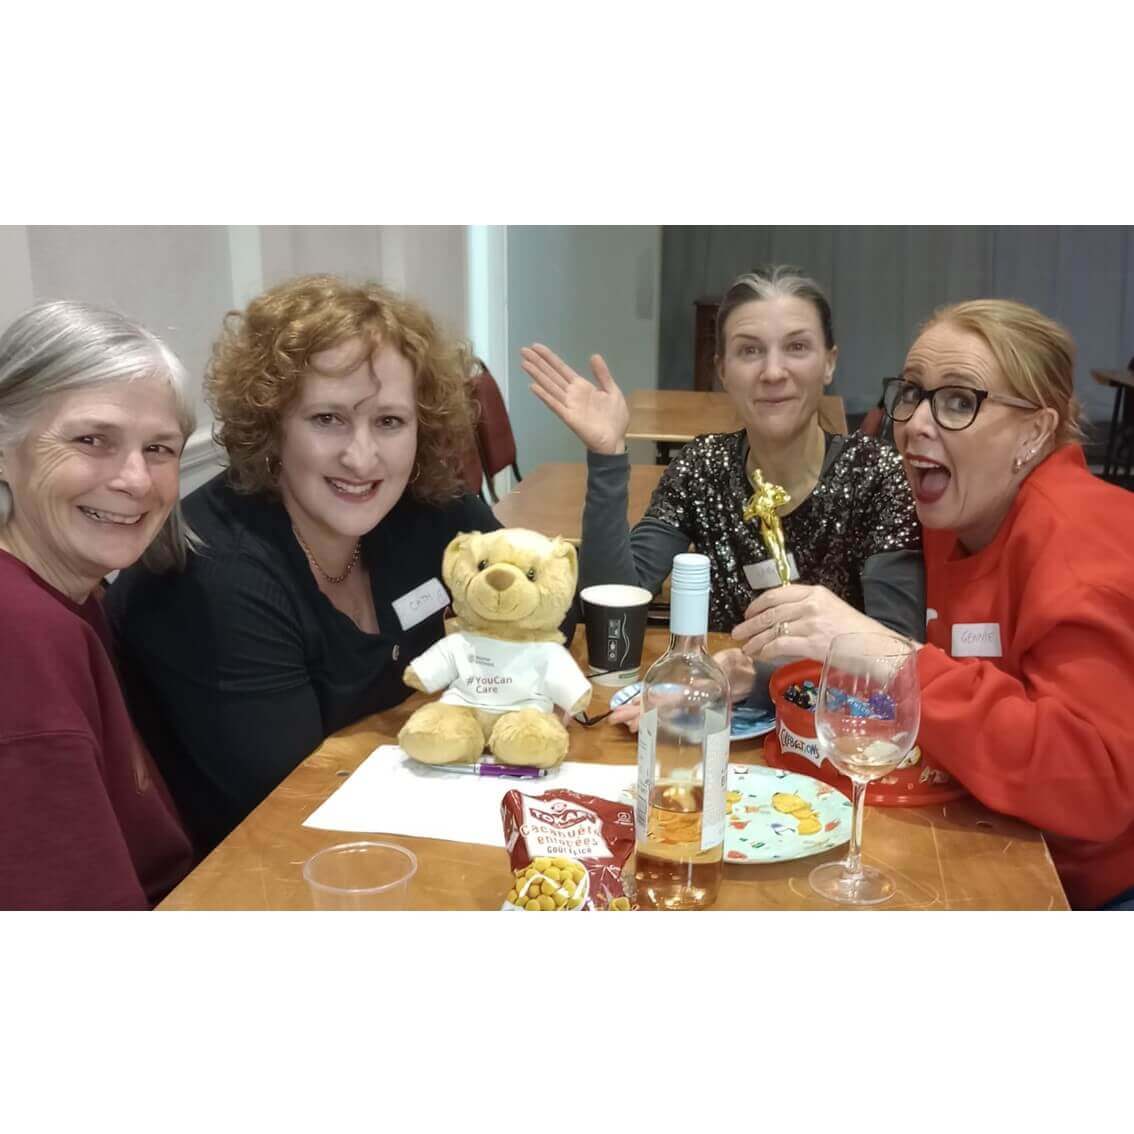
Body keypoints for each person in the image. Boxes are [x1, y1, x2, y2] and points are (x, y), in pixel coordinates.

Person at [735, 298, 1134, 910]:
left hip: (1082, 887)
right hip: (982, 827)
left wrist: (893, 657)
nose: (916, 423)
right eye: (913, 393)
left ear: (1035, 431)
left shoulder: (1081, 546)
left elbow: (1097, 788)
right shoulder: (957, 509)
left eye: (958, 401)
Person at [107, 276, 502, 853]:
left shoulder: (423, 505)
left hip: (396, 822)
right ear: (271, 425)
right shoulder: (216, 574)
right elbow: (293, 799)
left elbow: (548, 605)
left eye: (389, 421)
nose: (361, 456)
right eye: (327, 419)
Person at [522, 264, 924, 722]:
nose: (773, 371)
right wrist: (608, 455)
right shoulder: (703, 467)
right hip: (715, 731)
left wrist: (757, 676)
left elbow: (899, 660)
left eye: (796, 347)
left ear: (829, 362)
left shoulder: (876, 475)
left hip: (839, 735)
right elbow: (616, 601)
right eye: (749, 351)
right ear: (723, 371)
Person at [0, 300, 195, 909]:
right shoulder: (21, 635)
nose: (136, 481)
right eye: (92, 440)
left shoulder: (77, 597)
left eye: (160, 449)